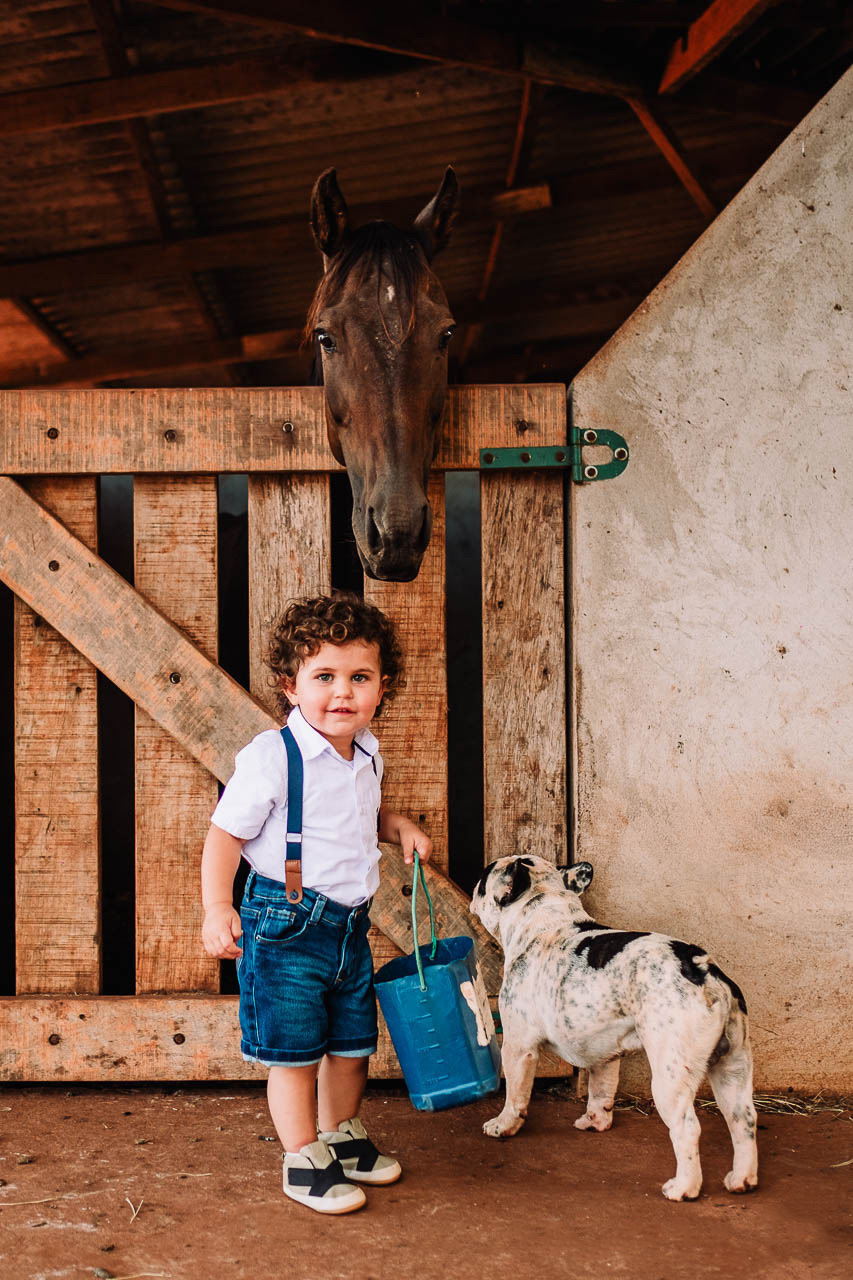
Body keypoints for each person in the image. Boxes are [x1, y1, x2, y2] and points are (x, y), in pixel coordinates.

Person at [201, 592, 432, 1214]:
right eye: (323, 677)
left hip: (348, 928)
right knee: (296, 1053)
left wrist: (400, 825)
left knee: (353, 1046)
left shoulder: (367, 751)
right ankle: (302, 1157)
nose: (342, 693)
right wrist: (218, 907)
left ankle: (339, 1135)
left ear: (382, 686)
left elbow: (364, 815)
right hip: (285, 925)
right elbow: (226, 833)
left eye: (359, 678)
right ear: (290, 686)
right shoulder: (273, 757)